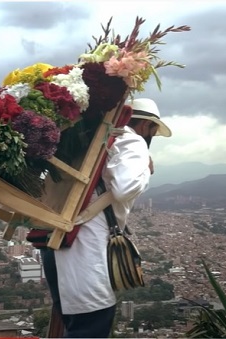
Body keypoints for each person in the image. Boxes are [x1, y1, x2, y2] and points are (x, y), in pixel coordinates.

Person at [40, 98, 172, 338]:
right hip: (85, 249)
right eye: (153, 131)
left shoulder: (92, 142)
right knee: (91, 325)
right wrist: (146, 167)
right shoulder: (132, 139)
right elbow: (125, 187)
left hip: (56, 244)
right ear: (145, 126)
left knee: (73, 323)